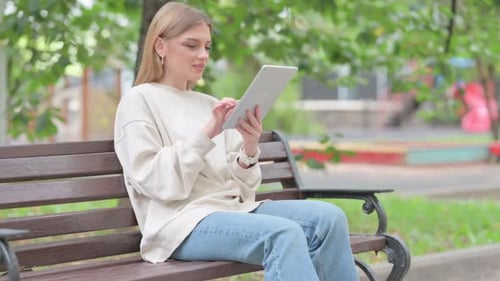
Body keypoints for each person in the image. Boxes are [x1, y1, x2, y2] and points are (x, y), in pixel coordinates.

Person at [114, 2, 358, 280]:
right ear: (160, 46)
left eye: (207, 46)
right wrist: (206, 135)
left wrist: (249, 146)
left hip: (232, 210)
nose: (202, 55)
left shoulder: (209, 104)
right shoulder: (139, 100)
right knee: (283, 234)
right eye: (191, 45)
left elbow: (242, 189)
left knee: (328, 218)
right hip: (179, 224)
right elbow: (157, 182)